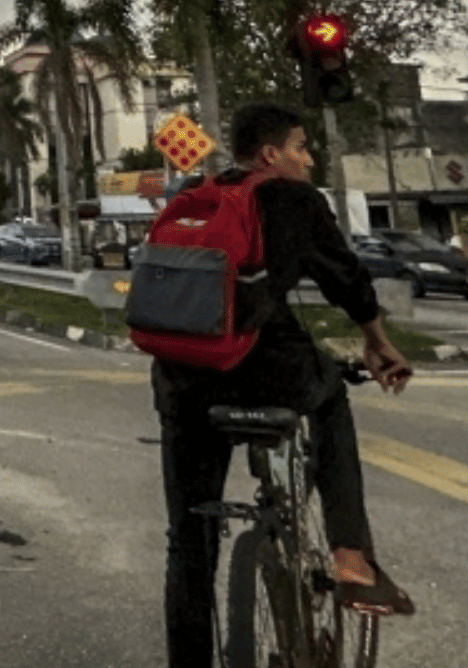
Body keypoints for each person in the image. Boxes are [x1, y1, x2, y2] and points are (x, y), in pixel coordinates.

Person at [150, 100, 415, 668]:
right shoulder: (294, 199)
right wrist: (375, 339)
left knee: (188, 542)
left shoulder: (192, 196)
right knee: (333, 394)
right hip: (264, 370)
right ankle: (351, 555)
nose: (310, 161)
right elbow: (345, 276)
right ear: (271, 153)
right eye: (301, 148)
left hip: (182, 382)